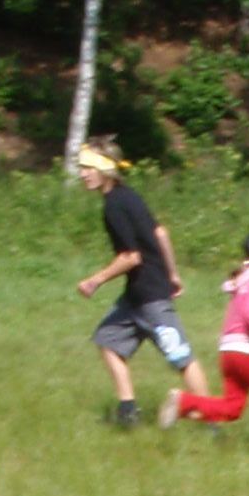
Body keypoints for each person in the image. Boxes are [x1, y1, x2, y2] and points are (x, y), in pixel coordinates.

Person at [73, 142, 211, 426]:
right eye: (82, 168)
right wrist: (172, 273)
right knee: (107, 340)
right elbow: (161, 233)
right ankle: (128, 412)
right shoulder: (128, 195)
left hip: (150, 298)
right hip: (136, 295)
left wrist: (95, 281)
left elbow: (131, 257)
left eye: (88, 168)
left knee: (181, 357)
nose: (83, 174)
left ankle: (212, 419)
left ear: (105, 169)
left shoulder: (114, 205)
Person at [174, 229, 249, 457]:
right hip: (248, 351)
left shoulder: (243, 278)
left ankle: (183, 403)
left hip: (228, 352)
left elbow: (245, 306)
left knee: (233, 408)